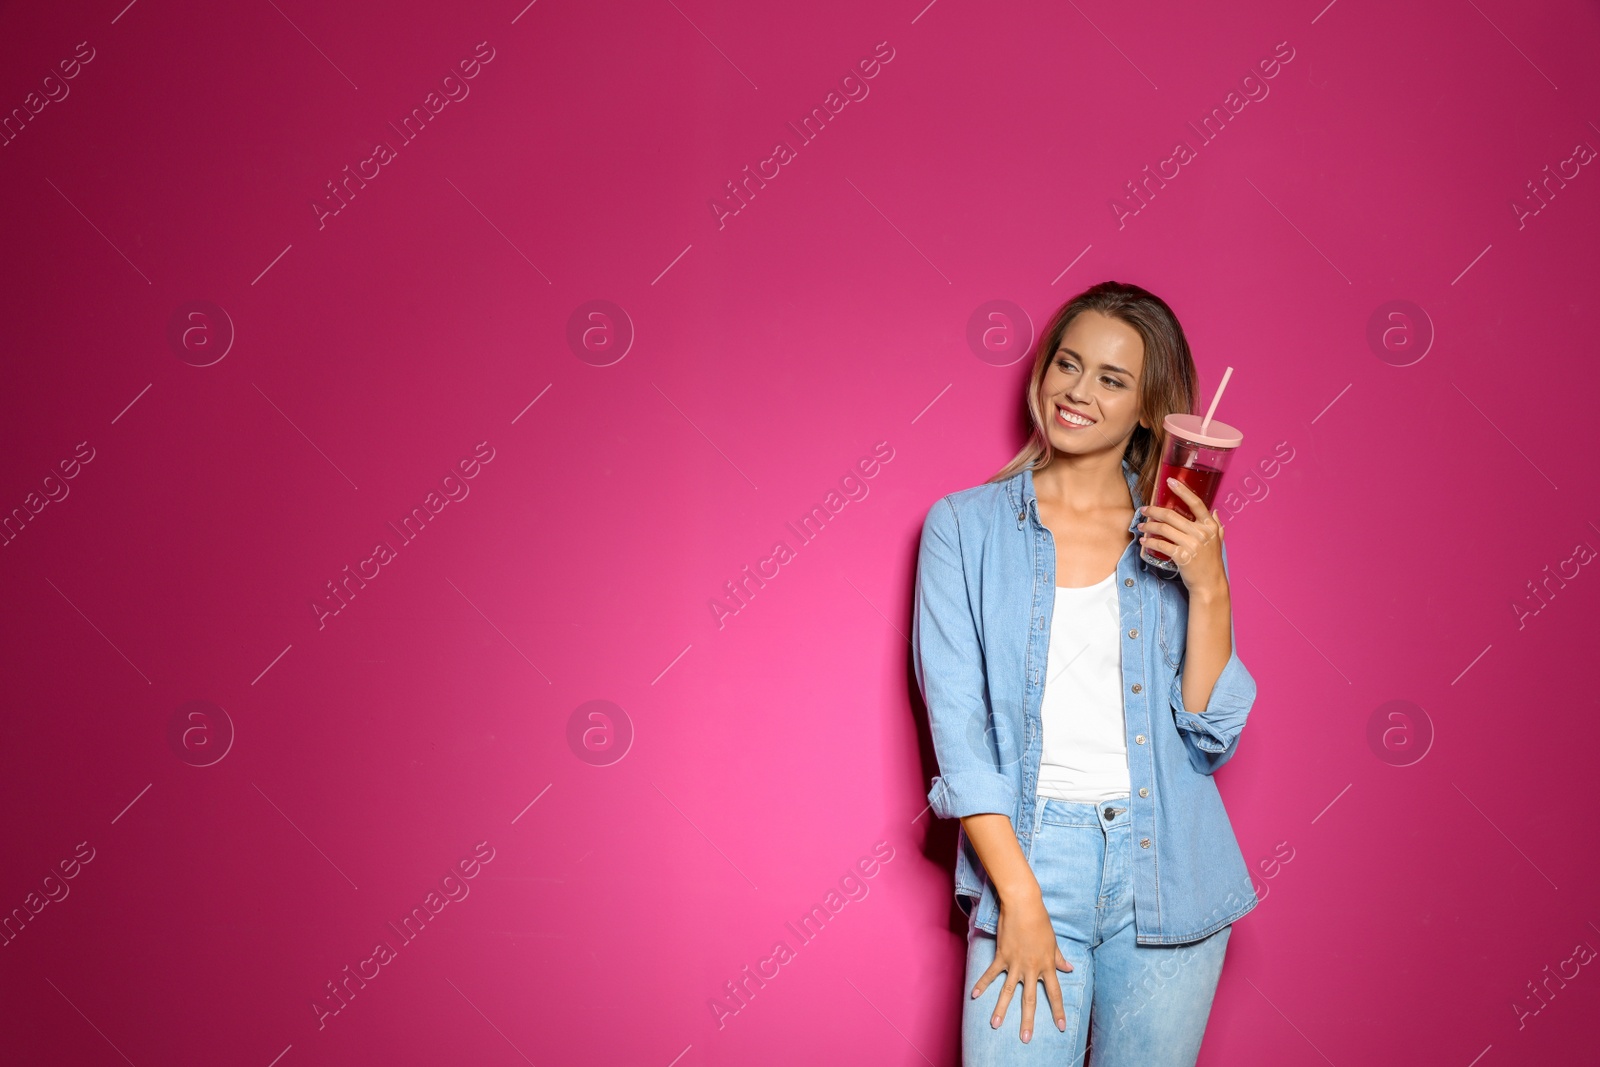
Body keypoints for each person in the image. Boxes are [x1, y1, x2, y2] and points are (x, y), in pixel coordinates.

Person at [912, 281, 1261, 1066]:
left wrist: (1210, 585)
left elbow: (1210, 731)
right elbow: (960, 739)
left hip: (1171, 864)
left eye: (1111, 378)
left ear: (1150, 408)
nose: (1077, 390)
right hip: (1033, 854)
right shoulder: (963, 528)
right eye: (1067, 364)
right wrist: (1021, 898)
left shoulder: (1181, 531)